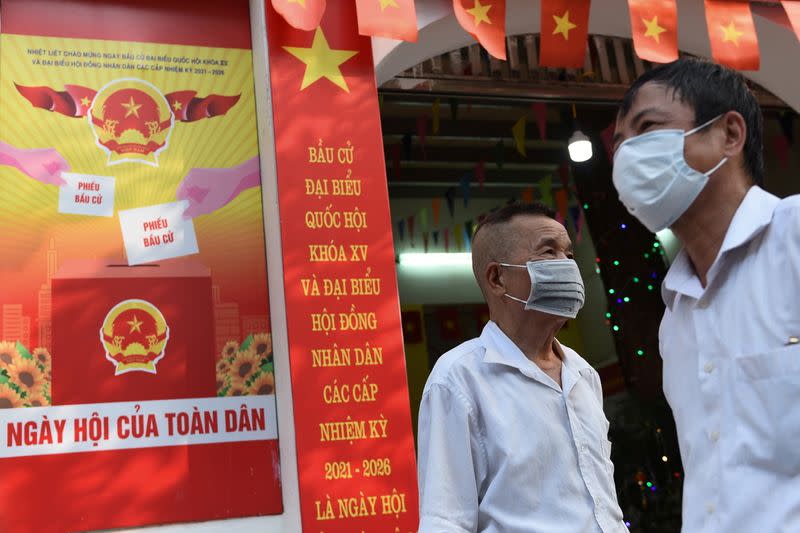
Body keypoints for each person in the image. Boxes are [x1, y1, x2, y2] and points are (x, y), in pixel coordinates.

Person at [611, 57, 800, 532]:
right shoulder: (674, 315)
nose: (628, 155)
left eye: (648, 128)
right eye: (619, 144)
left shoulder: (793, 238)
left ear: (729, 135)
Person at [417, 203, 627, 533]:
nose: (567, 266)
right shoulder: (459, 379)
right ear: (498, 278)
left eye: (569, 254)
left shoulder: (584, 375)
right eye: (548, 252)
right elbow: (446, 521)